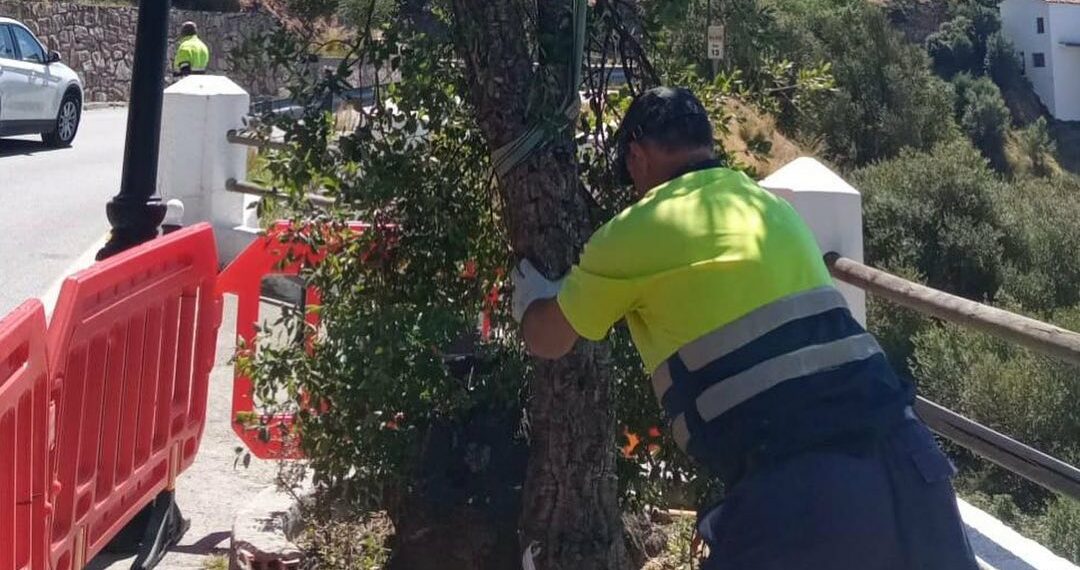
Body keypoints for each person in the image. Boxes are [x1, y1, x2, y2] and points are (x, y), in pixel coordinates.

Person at [511, 86, 979, 569]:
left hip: (804, 499)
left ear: (636, 156)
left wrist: (530, 302)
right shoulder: (768, 208)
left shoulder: (636, 229)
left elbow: (549, 338)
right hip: (912, 465)